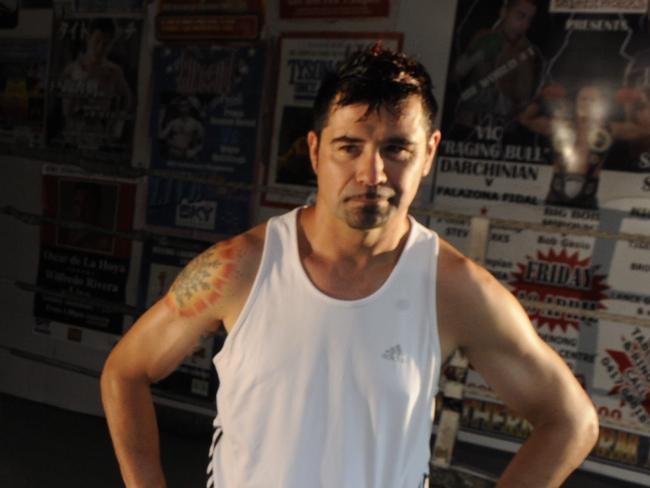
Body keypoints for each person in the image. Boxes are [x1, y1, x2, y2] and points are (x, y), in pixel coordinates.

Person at [101, 46, 598, 487]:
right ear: (316, 151)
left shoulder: (455, 289)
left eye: (396, 149)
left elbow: (571, 421)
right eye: (350, 147)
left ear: (429, 154)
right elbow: (126, 372)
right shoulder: (242, 267)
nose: (372, 173)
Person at [520, 82, 650, 208]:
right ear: (576, 101)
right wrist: (540, 97)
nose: (586, 103)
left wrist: (640, 99)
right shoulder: (560, 125)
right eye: (583, 99)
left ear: (601, 104)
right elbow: (525, 120)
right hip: (556, 190)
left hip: (588, 191)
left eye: (592, 100)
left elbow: (646, 129)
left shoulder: (609, 129)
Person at [451, 0, 540, 134]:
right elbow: (454, 76)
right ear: (504, 12)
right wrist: (476, 56)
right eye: (520, 16)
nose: (525, 25)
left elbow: (524, 99)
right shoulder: (482, 37)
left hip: (501, 129)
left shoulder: (526, 52)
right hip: (466, 124)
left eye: (530, 20)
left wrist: (519, 67)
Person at [58, 18, 133, 147]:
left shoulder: (114, 71)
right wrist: (79, 84)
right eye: (97, 41)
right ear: (88, 38)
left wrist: (116, 124)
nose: (100, 48)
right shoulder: (71, 70)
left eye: (106, 44)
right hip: (73, 134)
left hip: (99, 134)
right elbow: (65, 111)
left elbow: (127, 98)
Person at [158, 96, 205, 161]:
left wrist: (195, 150)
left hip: (188, 155)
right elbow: (161, 136)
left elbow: (205, 142)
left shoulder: (196, 124)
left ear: (189, 107)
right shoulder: (173, 122)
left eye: (186, 106)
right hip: (173, 153)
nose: (183, 108)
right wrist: (160, 120)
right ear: (178, 108)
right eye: (181, 106)